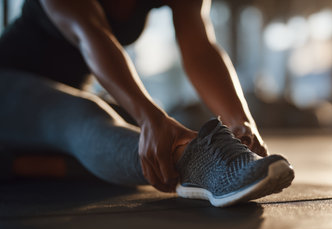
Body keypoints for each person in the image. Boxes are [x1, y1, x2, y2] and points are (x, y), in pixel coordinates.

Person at [0, 0, 294, 207]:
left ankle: (21, 163)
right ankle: (196, 163)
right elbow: (91, 35)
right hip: (9, 86)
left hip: (69, 91)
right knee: (88, 116)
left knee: (127, 130)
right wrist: (149, 116)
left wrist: (240, 120)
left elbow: (199, 46)